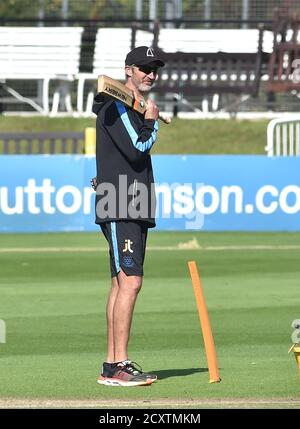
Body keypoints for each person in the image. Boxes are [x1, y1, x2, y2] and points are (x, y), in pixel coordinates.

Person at [92, 46, 165, 387]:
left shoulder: (130, 107)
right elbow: (138, 146)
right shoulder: (115, 104)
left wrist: (146, 118)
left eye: (154, 70)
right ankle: (120, 363)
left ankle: (111, 365)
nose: (150, 74)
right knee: (131, 281)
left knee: (121, 282)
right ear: (128, 70)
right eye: (144, 69)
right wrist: (152, 122)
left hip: (130, 201)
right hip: (121, 201)